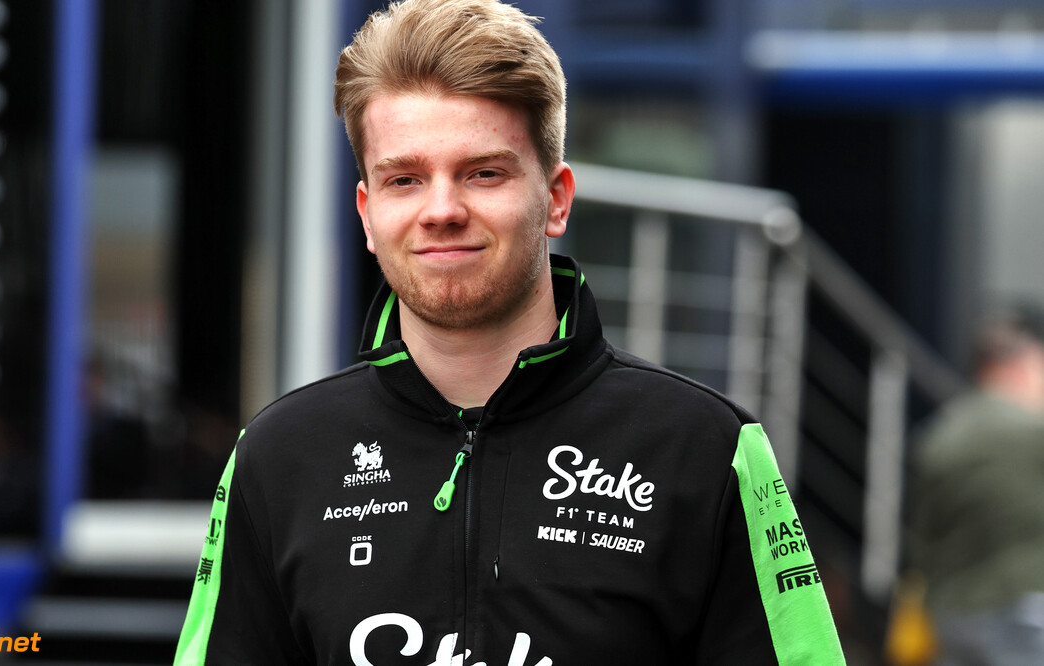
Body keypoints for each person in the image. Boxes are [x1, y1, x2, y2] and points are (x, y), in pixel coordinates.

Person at [174, 1, 845, 663]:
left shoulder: (707, 451)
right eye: (404, 179)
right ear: (368, 213)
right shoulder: (276, 460)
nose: (442, 210)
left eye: (483, 173)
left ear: (555, 199)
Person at [906, 304, 1044, 664]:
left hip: (952, 613)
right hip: (1026, 609)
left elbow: (923, 538)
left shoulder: (939, 435)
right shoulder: (1034, 433)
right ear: (1023, 364)